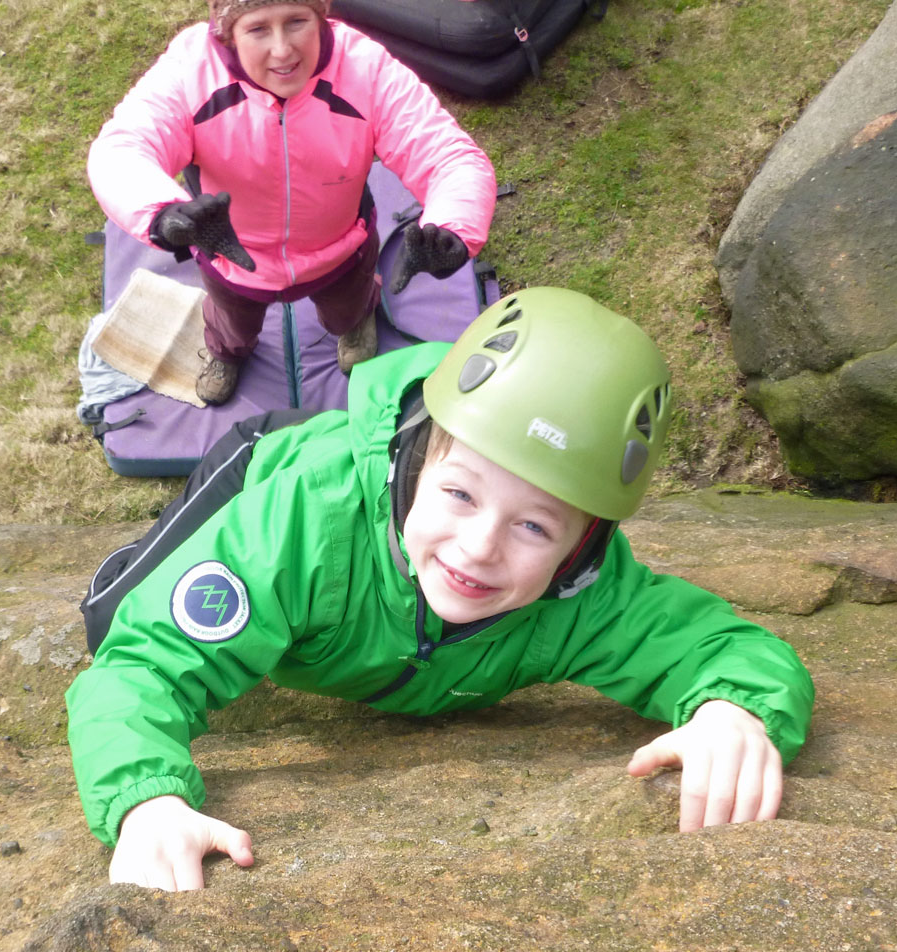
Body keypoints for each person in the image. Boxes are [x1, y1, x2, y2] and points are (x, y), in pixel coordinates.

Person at [67, 288, 815, 891]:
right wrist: (147, 800)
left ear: (583, 542)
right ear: (419, 460)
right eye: (459, 495)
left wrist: (733, 715)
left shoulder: (586, 595)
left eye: (533, 528)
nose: (480, 546)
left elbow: (735, 653)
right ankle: (138, 565)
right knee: (111, 624)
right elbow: (143, 668)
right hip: (264, 461)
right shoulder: (302, 523)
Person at [87, 0, 497, 405]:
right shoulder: (189, 71)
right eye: (258, 29)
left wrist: (453, 227)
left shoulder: (365, 69)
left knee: (348, 310)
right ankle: (227, 353)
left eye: (297, 21)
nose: (282, 50)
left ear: (321, 16)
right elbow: (123, 149)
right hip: (232, 259)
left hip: (340, 250)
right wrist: (161, 213)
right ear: (226, 30)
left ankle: (356, 322)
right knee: (231, 326)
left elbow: (447, 155)